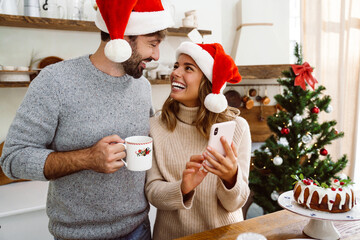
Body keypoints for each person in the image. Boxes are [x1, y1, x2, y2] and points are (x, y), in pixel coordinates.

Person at [0, 0, 173, 239]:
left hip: (139, 229)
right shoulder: (55, 81)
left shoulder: (141, 85)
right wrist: (87, 158)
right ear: (122, 38)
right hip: (77, 235)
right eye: (152, 44)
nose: (156, 54)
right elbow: (13, 158)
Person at [145, 42, 252, 240]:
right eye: (176, 66)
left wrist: (230, 178)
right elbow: (152, 191)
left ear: (208, 81)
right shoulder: (155, 126)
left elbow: (234, 204)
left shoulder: (238, 127)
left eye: (188, 68)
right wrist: (183, 188)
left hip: (225, 236)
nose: (176, 73)